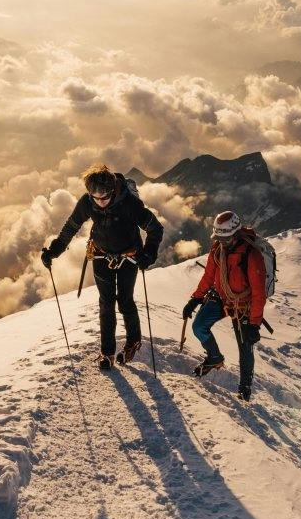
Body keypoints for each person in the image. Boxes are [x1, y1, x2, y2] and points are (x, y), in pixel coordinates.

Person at [40, 164, 164, 368]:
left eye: (104, 197)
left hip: (129, 256)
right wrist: (54, 251)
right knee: (106, 304)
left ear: (113, 189)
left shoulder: (129, 203)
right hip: (102, 255)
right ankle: (108, 353)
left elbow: (155, 228)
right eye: (95, 198)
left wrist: (149, 254)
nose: (100, 202)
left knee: (125, 301)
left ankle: (133, 342)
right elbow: (71, 226)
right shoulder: (88, 201)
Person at [182, 211, 268, 401]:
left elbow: (258, 293)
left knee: (245, 346)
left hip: (243, 304)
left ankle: (244, 388)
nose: (222, 241)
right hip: (222, 298)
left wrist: (254, 324)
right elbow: (209, 277)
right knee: (199, 326)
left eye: (226, 238)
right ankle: (214, 357)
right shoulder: (217, 249)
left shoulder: (251, 255)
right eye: (219, 237)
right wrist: (195, 299)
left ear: (236, 234)